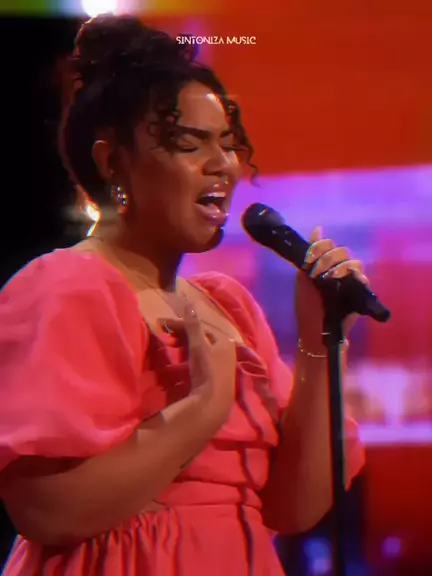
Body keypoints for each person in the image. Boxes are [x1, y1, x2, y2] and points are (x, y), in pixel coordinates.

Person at [0, 14, 365, 576]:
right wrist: (199, 413)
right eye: (189, 144)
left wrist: (322, 341)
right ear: (112, 162)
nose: (223, 166)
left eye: (228, 144)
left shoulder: (229, 306)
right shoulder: (68, 285)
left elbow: (294, 509)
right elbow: (45, 510)